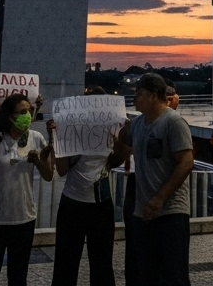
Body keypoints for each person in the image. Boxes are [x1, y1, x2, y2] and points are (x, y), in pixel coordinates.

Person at [0, 92, 53, 286]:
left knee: (18, 276)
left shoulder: (36, 138)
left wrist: (38, 161)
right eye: (21, 112)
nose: (27, 115)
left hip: (24, 218)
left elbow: (48, 175)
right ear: (10, 116)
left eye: (29, 111)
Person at [118, 72, 194, 286]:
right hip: (143, 213)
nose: (135, 99)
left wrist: (160, 198)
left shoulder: (174, 122)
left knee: (174, 275)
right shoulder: (138, 123)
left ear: (152, 95)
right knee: (147, 274)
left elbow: (186, 162)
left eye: (139, 93)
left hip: (171, 213)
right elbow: (122, 145)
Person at [49, 86, 125, 286]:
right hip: (73, 202)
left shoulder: (113, 130)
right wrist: (57, 138)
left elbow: (116, 162)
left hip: (101, 203)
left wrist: (120, 142)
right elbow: (62, 170)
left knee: (102, 263)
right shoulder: (71, 129)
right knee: (66, 263)